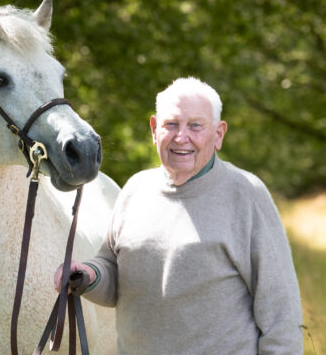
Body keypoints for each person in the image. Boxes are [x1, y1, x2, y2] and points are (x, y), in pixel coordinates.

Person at [54, 77, 303, 354]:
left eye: (196, 125)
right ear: (154, 129)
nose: (181, 137)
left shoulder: (247, 194)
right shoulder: (136, 189)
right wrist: (89, 275)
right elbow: (114, 274)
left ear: (219, 134)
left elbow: (281, 314)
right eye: (171, 124)